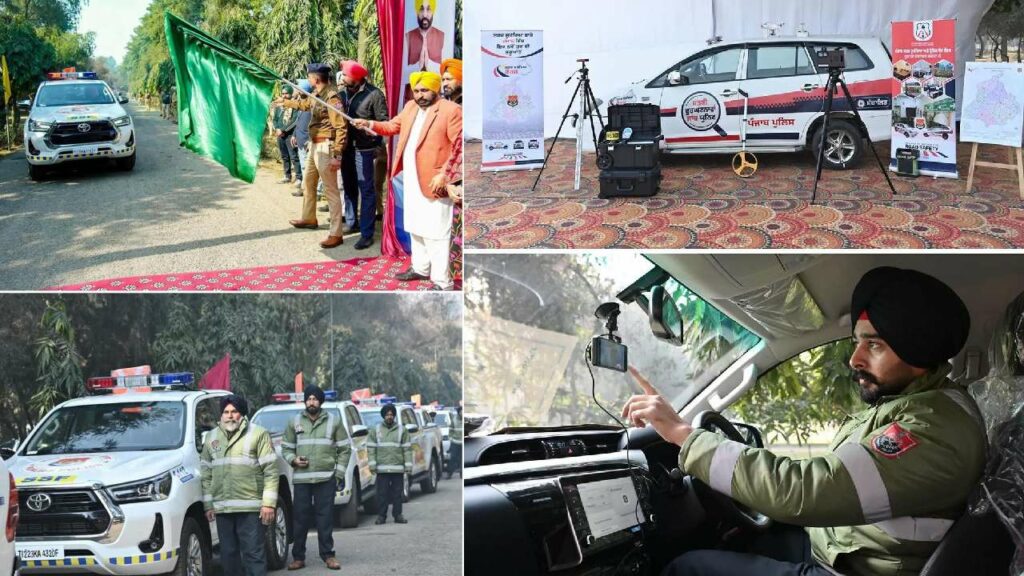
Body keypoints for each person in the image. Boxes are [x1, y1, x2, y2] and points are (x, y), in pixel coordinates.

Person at [622, 266, 987, 576]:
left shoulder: (933, 428)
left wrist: (684, 436)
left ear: (919, 354)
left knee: (689, 567)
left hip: (847, 569)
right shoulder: (913, 403)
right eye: (857, 343)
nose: (853, 360)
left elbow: (805, 490)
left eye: (874, 346)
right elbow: (831, 476)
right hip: (837, 544)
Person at [352, 72, 462, 290]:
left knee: (436, 231)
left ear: (436, 89)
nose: (420, 95)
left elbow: (459, 146)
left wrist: (445, 175)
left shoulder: (451, 110)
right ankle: (420, 268)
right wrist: (369, 123)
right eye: (417, 91)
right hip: (411, 178)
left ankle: (442, 281)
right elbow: (393, 126)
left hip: (435, 181)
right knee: (415, 225)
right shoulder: (411, 107)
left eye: (425, 91)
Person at [200, 395, 278, 576]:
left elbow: (271, 472)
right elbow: (206, 474)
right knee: (228, 556)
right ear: (221, 415)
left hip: (250, 507)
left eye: (234, 411)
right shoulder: (211, 437)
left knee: (253, 554)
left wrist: (268, 504)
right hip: (223, 509)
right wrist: (208, 504)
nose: (229, 416)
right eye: (226, 412)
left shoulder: (258, 434)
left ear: (241, 414)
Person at [276, 63, 349, 249]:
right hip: (315, 145)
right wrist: (285, 102)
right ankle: (309, 218)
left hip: (326, 146)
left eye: (309, 77)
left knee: (330, 190)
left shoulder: (332, 98)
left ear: (315, 79)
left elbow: (341, 127)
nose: (308, 80)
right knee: (308, 182)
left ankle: (336, 233)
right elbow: (304, 104)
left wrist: (337, 154)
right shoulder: (317, 95)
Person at [282, 386, 350, 571]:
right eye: (308, 398)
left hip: (326, 479)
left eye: (315, 399)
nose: (311, 402)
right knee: (300, 519)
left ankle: (328, 556)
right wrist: (293, 459)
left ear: (321, 401)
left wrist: (338, 474)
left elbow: (345, 449)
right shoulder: (294, 421)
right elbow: (286, 448)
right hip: (302, 480)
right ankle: (298, 558)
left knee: (325, 519)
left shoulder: (333, 422)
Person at [338, 59, 389, 251]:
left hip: (365, 150)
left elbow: (383, 122)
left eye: (345, 75)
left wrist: (371, 132)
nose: (342, 78)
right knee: (349, 185)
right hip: (346, 148)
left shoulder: (374, 94)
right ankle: (352, 222)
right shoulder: (342, 93)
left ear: (357, 78)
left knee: (366, 189)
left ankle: (367, 234)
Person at [368, 403, 412, 524]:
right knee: (382, 494)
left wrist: (408, 466)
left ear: (394, 416)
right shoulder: (375, 430)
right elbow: (371, 448)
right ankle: (381, 516)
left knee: (397, 494)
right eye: (387, 415)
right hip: (382, 469)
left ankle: (398, 515)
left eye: (391, 414)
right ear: (383, 416)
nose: (389, 417)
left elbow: (407, 449)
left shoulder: (402, 430)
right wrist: (372, 465)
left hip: (397, 468)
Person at [272, 85, 301, 184]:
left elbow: (294, 121)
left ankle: (298, 178)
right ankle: (287, 176)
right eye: (283, 93)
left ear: (290, 94)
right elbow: (275, 119)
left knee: (294, 156)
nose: (284, 96)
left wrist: (283, 130)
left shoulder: (294, 105)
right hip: (280, 134)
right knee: (284, 156)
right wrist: (277, 128)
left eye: (286, 93)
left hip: (290, 134)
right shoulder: (279, 106)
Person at [290, 80, 313, 196]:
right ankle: (305, 189)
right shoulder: (302, 102)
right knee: (304, 166)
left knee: (310, 168)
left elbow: (314, 124)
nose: (296, 89)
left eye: (298, 87)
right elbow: (298, 122)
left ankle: (317, 191)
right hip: (300, 139)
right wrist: (294, 135)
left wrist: (310, 139)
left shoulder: (312, 103)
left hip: (307, 141)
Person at [446, 406, 463, 480]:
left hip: (463, 443)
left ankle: (462, 474)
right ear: (459, 412)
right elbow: (450, 430)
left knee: (462, 459)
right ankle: (449, 473)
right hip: (455, 442)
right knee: (453, 458)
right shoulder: (454, 420)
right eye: (461, 411)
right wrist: (451, 439)